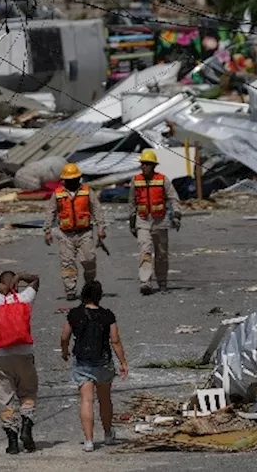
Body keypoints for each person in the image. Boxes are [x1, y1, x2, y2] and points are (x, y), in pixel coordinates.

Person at [60, 280, 128, 451]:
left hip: (82, 362)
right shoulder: (107, 315)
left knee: (86, 400)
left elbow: (64, 336)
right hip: (103, 361)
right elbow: (115, 340)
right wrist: (123, 362)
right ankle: (107, 434)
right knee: (105, 400)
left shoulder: (74, 314)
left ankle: (89, 441)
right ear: (100, 296)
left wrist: (64, 351)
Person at [0, 270, 41, 454]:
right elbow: (36, 279)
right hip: (24, 353)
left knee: (5, 397)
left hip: (0, 356)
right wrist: (22, 277)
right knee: (28, 392)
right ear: (15, 283)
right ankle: (26, 427)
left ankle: (12, 441)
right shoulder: (24, 298)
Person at [45, 163, 105, 300]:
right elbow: (51, 212)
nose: (71, 182)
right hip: (65, 234)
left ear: (79, 178)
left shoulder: (87, 191)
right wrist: (47, 230)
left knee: (89, 260)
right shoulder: (58, 194)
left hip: (85, 232)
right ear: (64, 180)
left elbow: (96, 209)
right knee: (67, 263)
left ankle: (89, 284)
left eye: (74, 179)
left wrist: (101, 227)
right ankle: (70, 290)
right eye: (68, 179)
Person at [128, 149, 181, 295]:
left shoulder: (163, 180)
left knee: (161, 253)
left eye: (147, 164)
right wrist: (132, 222)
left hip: (160, 220)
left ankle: (162, 281)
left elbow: (173, 198)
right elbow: (132, 202)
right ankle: (145, 282)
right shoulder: (135, 181)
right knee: (145, 251)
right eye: (142, 164)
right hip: (143, 220)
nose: (144, 166)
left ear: (153, 166)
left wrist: (176, 215)